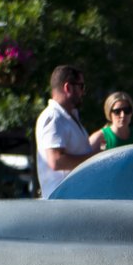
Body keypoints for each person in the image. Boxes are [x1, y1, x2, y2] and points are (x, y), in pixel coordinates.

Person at [34, 65, 94, 199]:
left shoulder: (67, 116)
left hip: (72, 199)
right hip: (62, 200)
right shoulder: (54, 117)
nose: (83, 92)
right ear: (68, 87)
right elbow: (56, 161)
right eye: (81, 86)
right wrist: (95, 158)